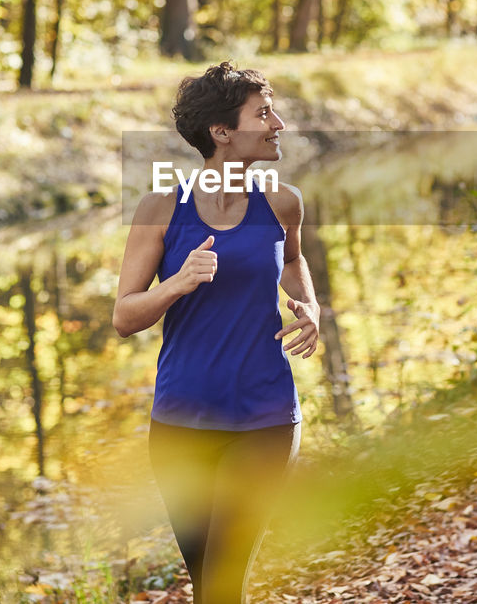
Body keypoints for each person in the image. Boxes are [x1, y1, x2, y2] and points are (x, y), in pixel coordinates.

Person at [114, 61, 320, 604]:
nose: (278, 124)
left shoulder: (282, 202)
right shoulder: (162, 208)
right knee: (207, 579)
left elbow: (293, 262)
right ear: (221, 132)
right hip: (182, 420)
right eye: (263, 113)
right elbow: (124, 317)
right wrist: (175, 285)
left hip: (265, 415)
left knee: (226, 578)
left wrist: (310, 306)